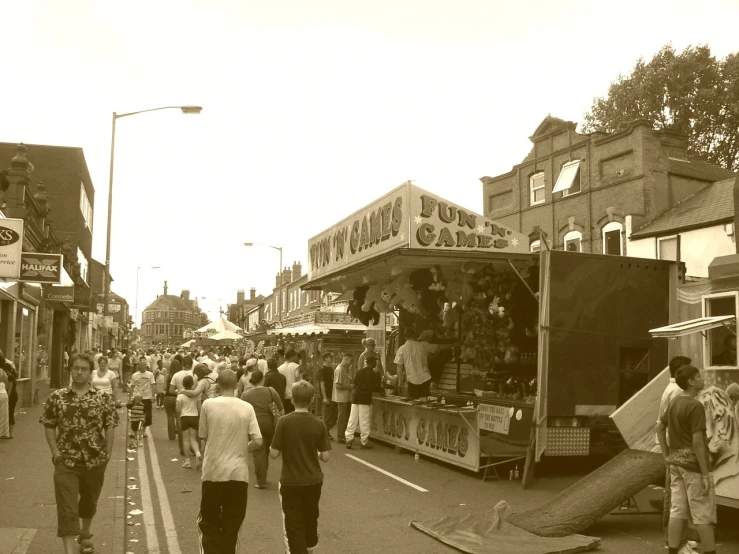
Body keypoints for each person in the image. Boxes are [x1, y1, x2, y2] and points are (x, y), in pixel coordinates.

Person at [40, 352, 118, 554]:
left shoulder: (103, 398)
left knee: (89, 501)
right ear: (70, 370)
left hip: (94, 460)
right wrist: (56, 453)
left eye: (84, 369)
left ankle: (85, 533)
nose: (79, 372)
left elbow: (110, 425)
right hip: (66, 460)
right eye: (76, 368)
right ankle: (69, 551)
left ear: (90, 372)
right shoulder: (57, 397)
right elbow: (49, 425)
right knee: (67, 506)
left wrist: (107, 453)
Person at [198, 369, 262, 554]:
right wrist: (243, 447)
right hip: (238, 474)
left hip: (213, 471)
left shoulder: (208, 405)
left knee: (208, 523)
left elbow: (203, 436)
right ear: (236, 385)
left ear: (218, 385)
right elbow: (258, 441)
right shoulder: (246, 407)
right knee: (232, 524)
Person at [656, 365, 717, 554]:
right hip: (693, 467)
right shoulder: (695, 405)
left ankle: (673, 551)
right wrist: (705, 475)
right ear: (691, 382)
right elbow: (698, 443)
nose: (702, 378)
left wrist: (666, 455)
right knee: (702, 515)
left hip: (675, 464)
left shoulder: (675, 402)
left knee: (677, 511)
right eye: (699, 376)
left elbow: (660, 427)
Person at [270, 381, 331, 554]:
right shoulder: (319, 423)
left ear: (293, 399)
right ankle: (310, 550)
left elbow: (274, 453)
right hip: (313, 481)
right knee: (311, 518)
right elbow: (325, 456)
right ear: (312, 400)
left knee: (293, 524)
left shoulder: (284, 422)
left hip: (291, 481)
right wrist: (314, 452)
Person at [657, 355, 693, 548]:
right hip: (677, 446)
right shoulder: (678, 391)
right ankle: (674, 541)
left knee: (676, 495)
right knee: (676, 496)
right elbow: (665, 423)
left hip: (674, 446)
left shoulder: (670, 389)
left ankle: (678, 539)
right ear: (682, 372)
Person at [242, 369, 284, 488]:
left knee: (259, 453)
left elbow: (240, 410)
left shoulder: (246, 394)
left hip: (255, 426)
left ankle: (261, 481)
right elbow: (281, 410)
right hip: (270, 425)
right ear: (263, 379)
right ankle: (264, 476)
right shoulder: (271, 391)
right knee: (266, 451)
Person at [394, 328, 443, 401]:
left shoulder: (402, 348)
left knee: (412, 403)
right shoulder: (422, 345)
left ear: (405, 337)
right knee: (423, 402)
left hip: (412, 379)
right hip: (424, 378)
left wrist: (400, 382)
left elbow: (399, 366)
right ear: (414, 335)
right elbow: (438, 348)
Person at [345, 355, 382, 449]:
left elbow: (355, 383)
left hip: (355, 397)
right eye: (375, 362)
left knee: (352, 420)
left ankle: (349, 439)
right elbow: (375, 387)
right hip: (365, 399)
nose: (375, 364)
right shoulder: (373, 374)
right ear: (372, 363)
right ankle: (364, 441)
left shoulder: (359, 371)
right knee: (364, 421)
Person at [177, 375, 202, 470]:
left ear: (183, 384)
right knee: (193, 439)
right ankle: (198, 453)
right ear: (192, 384)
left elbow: (178, 409)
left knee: (186, 440)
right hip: (194, 417)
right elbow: (200, 408)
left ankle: (187, 462)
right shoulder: (197, 395)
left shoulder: (181, 395)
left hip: (185, 417)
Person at [130, 356, 155, 439]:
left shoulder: (150, 374)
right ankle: (135, 431)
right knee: (136, 416)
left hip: (147, 397)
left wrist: (153, 395)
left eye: (145, 365)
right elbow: (132, 386)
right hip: (137, 398)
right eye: (142, 365)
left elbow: (153, 385)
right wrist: (131, 398)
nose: (144, 366)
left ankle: (143, 431)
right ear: (139, 366)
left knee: (147, 416)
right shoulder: (135, 375)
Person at [333, 353, 353, 444]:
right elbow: (337, 385)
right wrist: (350, 386)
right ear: (346, 359)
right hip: (341, 398)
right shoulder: (340, 369)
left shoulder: (345, 369)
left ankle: (343, 434)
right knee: (342, 417)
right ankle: (340, 436)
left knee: (345, 417)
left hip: (346, 397)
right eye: (350, 361)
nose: (351, 363)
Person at [319, 352, 337, 440]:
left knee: (333, 415)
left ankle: (325, 430)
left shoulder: (331, 369)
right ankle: (324, 432)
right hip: (327, 395)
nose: (331, 358)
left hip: (332, 394)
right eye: (330, 357)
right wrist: (325, 397)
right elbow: (322, 384)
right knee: (327, 415)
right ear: (325, 358)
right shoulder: (322, 369)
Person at [0, 352, 18, 439]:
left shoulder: (10, 377)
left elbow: (9, 389)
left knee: (9, 414)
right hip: (12, 396)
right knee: (9, 414)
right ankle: (7, 433)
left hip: (11, 397)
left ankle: (9, 433)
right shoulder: (11, 376)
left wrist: (7, 397)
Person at [163, 359, 182, 442]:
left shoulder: (168, 376)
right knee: (178, 418)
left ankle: (172, 436)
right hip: (178, 398)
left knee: (170, 417)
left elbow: (164, 388)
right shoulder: (181, 376)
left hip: (168, 398)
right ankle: (180, 435)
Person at [0, 364, 9, 439]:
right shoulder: (3, 372)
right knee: (3, 414)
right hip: (4, 393)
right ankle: (3, 432)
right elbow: (7, 383)